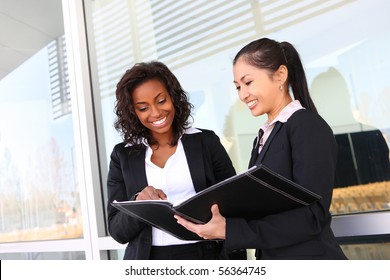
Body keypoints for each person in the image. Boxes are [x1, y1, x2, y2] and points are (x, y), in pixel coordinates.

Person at [175, 38, 348, 260]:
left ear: (280, 75)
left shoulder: (306, 126)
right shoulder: (264, 137)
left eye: (248, 83)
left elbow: (312, 216)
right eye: (238, 87)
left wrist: (231, 230)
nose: (242, 94)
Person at [106, 61, 246, 260]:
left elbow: (235, 205)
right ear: (133, 113)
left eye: (161, 100)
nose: (156, 113)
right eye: (143, 107)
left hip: (206, 255)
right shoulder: (122, 156)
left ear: (173, 97)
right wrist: (138, 203)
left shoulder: (206, 142)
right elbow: (117, 231)